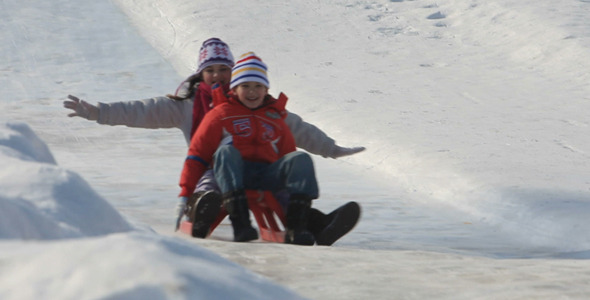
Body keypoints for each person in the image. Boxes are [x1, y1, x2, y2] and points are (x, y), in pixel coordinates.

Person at [64, 38, 363, 244]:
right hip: (213, 170)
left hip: (261, 169)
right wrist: (98, 113)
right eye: (211, 70)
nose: (217, 75)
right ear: (201, 73)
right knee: (214, 178)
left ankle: (317, 225)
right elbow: (141, 111)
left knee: (284, 190)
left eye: (224, 69)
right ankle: (201, 211)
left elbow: (296, 127)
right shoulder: (185, 105)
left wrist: (330, 148)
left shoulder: (256, 99)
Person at [179, 52, 323, 245]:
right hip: (230, 175)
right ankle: (240, 224)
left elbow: (288, 155)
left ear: (266, 90)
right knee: (225, 152)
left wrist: (294, 185)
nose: (252, 92)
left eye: (258, 86)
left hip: (266, 175)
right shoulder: (220, 114)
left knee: (300, 159)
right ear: (235, 88)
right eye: (245, 86)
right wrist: (185, 194)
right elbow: (197, 155)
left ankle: (297, 226)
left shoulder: (274, 118)